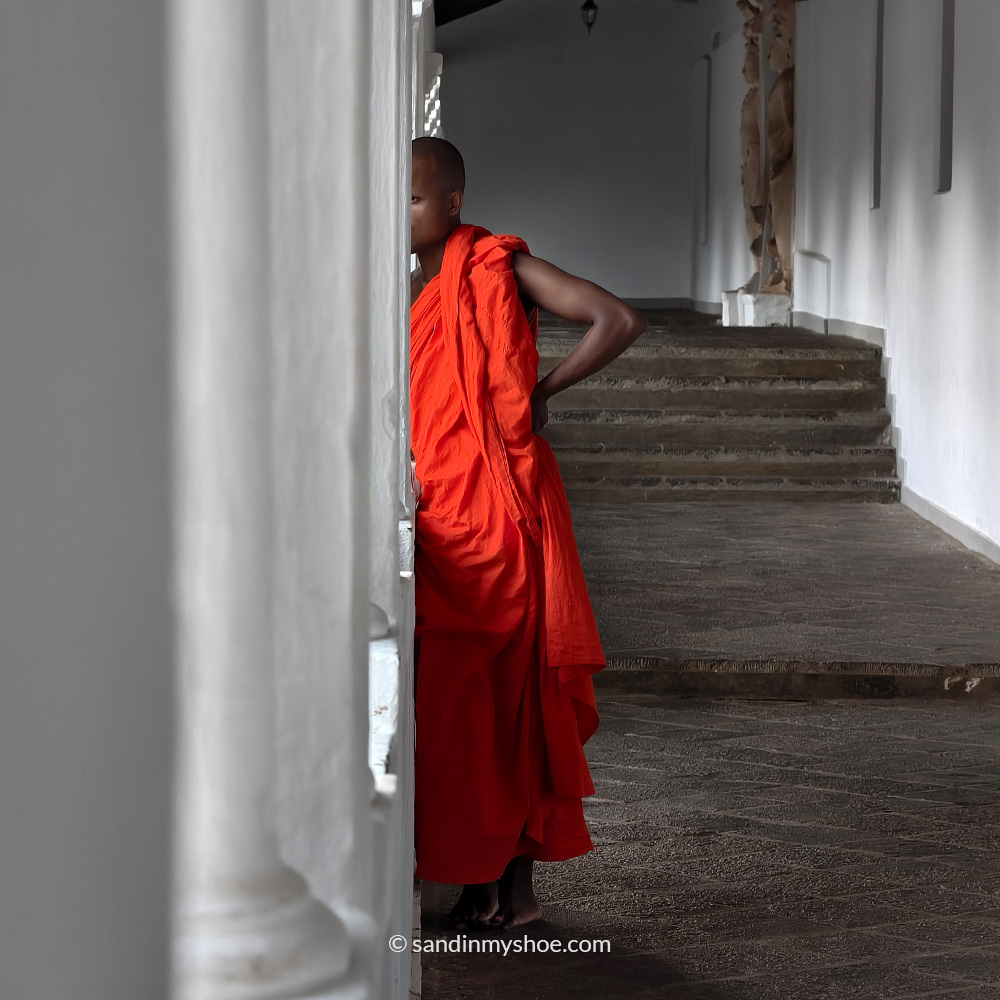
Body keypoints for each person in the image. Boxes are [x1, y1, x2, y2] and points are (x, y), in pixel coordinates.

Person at [409, 135, 646, 929]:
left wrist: (544, 390)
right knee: (459, 712)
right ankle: (485, 884)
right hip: (444, 508)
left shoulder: (497, 266)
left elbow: (616, 318)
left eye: (415, 197)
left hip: (504, 514)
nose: (400, 212)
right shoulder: (406, 283)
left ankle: (513, 890)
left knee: (510, 704)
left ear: (453, 202)